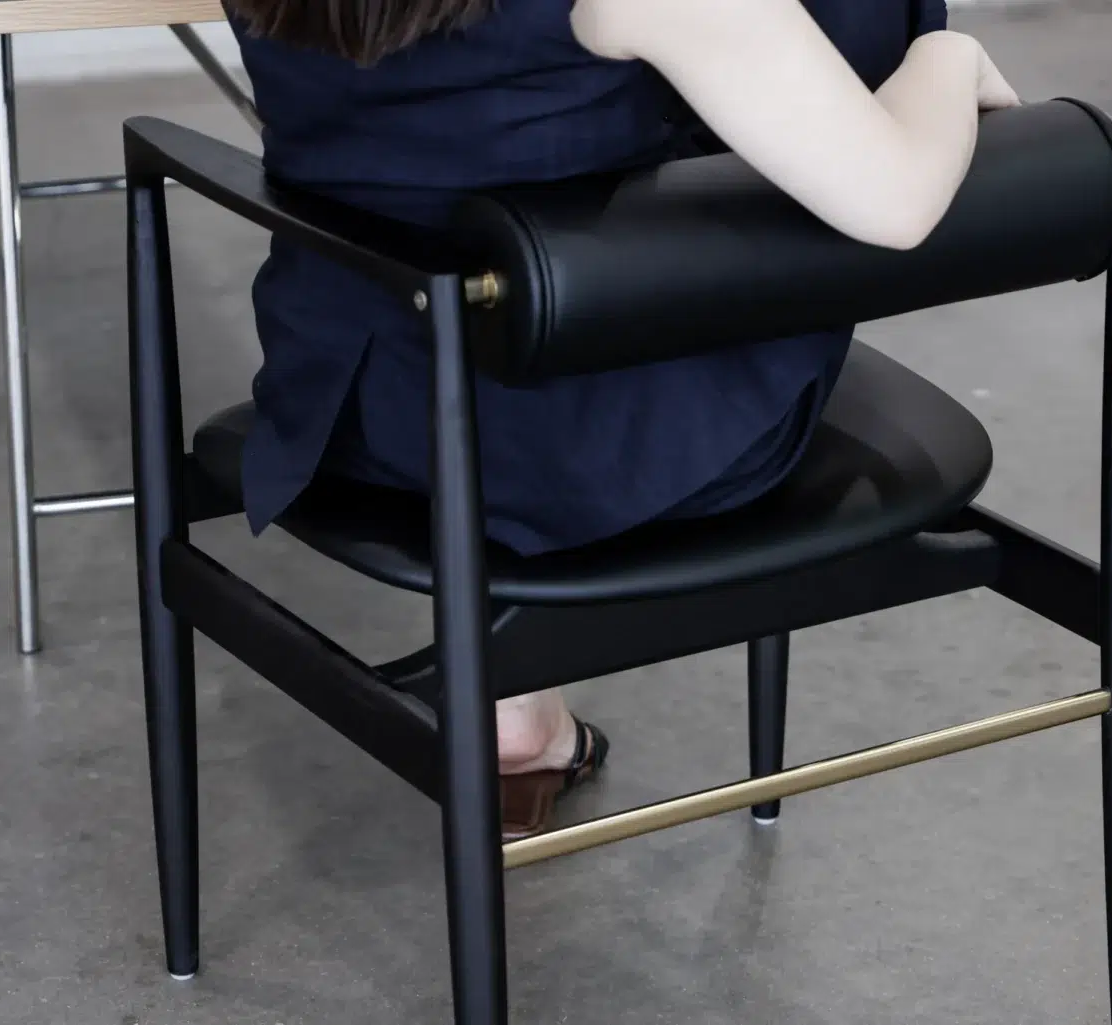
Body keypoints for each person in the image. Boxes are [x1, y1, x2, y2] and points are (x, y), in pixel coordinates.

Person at [223, 0, 1019, 838]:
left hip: (351, 400)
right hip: (595, 441)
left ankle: (516, 707)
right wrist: (948, 55)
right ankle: (514, 696)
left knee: (519, 124)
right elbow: (896, 203)